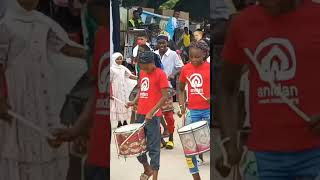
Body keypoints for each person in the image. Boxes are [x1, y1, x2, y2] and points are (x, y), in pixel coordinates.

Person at [220, 0, 320, 179]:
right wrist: (229, 142)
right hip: (263, 159)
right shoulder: (243, 23)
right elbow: (227, 88)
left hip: (315, 153)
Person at [0, 0, 88, 179]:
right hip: (18, 93)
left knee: (48, 138)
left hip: (45, 89)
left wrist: (95, 54)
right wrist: (1, 98)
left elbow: (65, 48)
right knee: (23, 143)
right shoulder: (6, 24)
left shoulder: (43, 21)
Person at [52, 1, 111, 180]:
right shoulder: (101, 35)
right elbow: (96, 91)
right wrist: (78, 128)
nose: (87, 11)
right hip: (96, 155)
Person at [127, 51, 169, 180]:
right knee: (138, 147)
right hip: (140, 113)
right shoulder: (143, 72)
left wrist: (152, 111)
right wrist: (133, 102)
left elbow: (165, 96)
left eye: (145, 66)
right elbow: (141, 89)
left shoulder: (161, 74)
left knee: (153, 148)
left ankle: (155, 176)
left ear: (152, 63)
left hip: (153, 116)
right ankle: (147, 169)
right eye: (141, 66)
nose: (143, 69)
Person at [178, 40, 210, 180]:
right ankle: (196, 177)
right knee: (189, 148)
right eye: (191, 56)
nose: (193, 59)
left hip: (209, 110)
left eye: (197, 57)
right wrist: (181, 106)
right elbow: (180, 89)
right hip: (192, 111)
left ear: (204, 54)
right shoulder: (185, 69)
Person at [155, 34, 184, 149]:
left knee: (169, 115)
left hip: (167, 88)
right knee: (155, 115)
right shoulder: (154, 54)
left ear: (167, 43)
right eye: (160, 43)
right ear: (157, 44)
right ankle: (161, 140)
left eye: (164, 43)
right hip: (155, 89)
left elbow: (181, 67)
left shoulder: (173, 54)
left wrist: (172, 74)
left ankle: (171, 139)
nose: (162, 45)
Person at [110, 52, 138, 129]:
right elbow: (109, 82)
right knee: (118, 105)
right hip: (116, 89)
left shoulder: (123, 68)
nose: (119, 61)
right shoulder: (111, 69)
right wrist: (110, 92)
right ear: (113, 59)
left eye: (120, 59)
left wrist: (139, 78)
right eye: (117, 59)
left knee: (125, 104)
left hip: (124, 89)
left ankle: (125, 121)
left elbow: (129, 76)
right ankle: (119, 122)